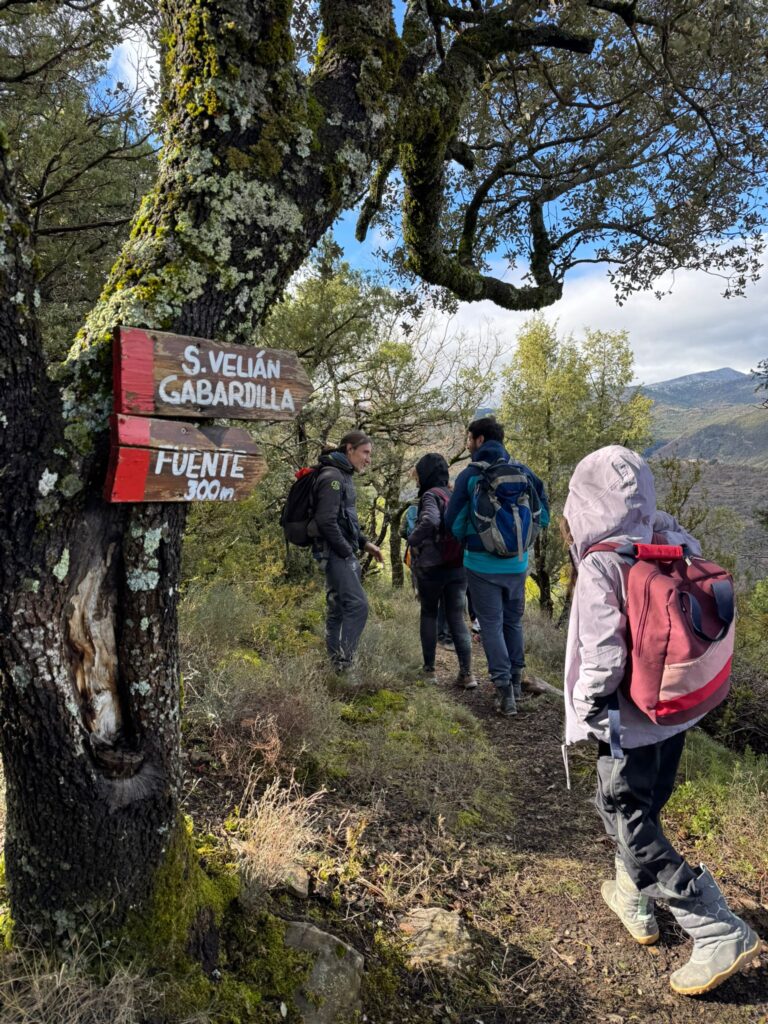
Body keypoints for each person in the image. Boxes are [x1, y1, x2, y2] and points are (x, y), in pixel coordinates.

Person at [562, 444, 761, 996]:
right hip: (673, 713)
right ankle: (632, 895)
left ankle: (714, 925)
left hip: (627, 721)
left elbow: (603, 654)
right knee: (646, 804)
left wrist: (586, 708)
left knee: (625, 815)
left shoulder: (603, 560)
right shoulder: (673, 543)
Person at [445, 417, 549, 716]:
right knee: (513, 623)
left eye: (468, 438)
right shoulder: (524, 472)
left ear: (479, 440)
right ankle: (516, 683)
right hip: (518, 565)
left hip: (480, 564)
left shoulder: (471, 476)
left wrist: (471, 539)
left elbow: (452, 521)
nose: (467, 443)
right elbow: (544, 516)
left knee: (490, 625)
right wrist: (522, 542)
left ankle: (504, 693)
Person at [311, 430, 383, 673]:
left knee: (338, 608)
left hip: (334, 552)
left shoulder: (342, 475)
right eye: (365, 452)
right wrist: (346, 552)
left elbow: (344, 522)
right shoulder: (333, 477)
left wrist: (364, 544)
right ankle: (345, 663)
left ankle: (335, 664)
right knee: (358, 605)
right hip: (333, 553)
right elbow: (326, 521)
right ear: (349, 449)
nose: (368, 459)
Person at [408, 453, 476, 688]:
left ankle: (429, 672)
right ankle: (467, 674)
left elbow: (429, 520)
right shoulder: (452, 493)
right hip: (458, 565)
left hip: (432, 567)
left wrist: (411, 538)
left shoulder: (429, 495)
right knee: (457, 617)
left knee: (428, 613)